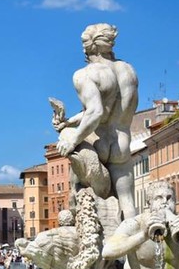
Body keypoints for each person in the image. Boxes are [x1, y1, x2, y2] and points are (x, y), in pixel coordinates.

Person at [53, 23, 139, 220]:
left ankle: (81, 232)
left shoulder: (85, 74)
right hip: (122, 142)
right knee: (128, 206)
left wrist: (71, 138)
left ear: (87, 47)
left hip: (97, 142)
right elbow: (106, 109)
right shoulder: (128, 71)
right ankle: (133, 249)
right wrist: (69, 122)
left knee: (82, 192)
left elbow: (96, 111)